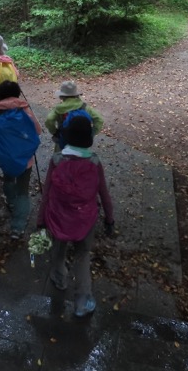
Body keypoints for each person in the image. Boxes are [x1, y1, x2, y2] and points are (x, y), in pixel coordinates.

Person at [37, 114, 115, 318]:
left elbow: (46, 193)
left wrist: (40, 220)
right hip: (84, 219)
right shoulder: (94, 163)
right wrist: (109, 218)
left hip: (58, 216)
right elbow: (103, 193)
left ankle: (59, 277)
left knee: (58, 247)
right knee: (82, 256)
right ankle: (82, 301)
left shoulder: (56, 160)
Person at [0, 80, 42, 240]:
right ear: (17, 93)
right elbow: (38, 131)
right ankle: (18, 227)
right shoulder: (25, 109)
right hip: (25, 160)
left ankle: (11, 202)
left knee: (8, 180)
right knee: (23, 191)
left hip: (6, 157)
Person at [45, 80, 104, 151]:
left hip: (64, 139)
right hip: (81, 141)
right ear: (76, 94)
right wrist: (92, 133)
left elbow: (49, 119)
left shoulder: (58, 109)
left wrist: (54, 132)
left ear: (61, 96)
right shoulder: (84, 107)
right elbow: (99, 119)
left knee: (59, 158)